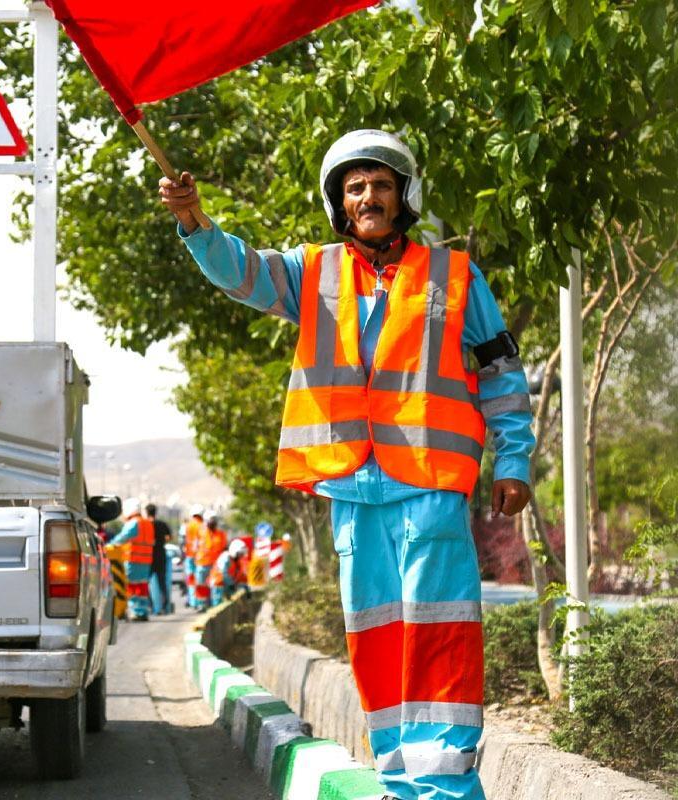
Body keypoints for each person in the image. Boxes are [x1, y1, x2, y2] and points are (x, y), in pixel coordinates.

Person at [160, 129, 534, 800]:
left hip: (429, 483)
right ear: (339, 201)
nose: (369, 196)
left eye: (382, 185)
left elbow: (501, 368)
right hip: (354, 488)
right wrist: (194, 220)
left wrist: (515, 459)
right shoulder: (313, 271)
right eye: (356, 186)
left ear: (403, 197)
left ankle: (447, 787)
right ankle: (400, 780)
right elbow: (240, 270)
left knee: (440, 635)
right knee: (379, 641)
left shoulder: (453, 273)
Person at [109, 498, 155, 621]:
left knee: (132, 586)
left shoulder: (133, 523)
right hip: (146, 561)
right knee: (142, 586)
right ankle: (143, 610)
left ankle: (135, 611)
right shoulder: (148, 523)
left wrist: (110, 544)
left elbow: (122, 537)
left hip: (133, 559)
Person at [194, 514, 228, 611]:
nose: (211, 523)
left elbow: (224, 549)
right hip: (202, 563)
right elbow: (195, 546)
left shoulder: (221, 534)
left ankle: (215, 605)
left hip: (215, 565)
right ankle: (201, 604)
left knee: (216, 585)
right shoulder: (200, 532)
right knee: (201, 585)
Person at [146, 503, 174, 616]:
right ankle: (164, 607)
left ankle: (150, 606)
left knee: (145, 583)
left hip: (149, 555)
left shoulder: (146, 524)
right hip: (161, 555)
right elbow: (169, 537)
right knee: (162, 583)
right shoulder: (162, 524)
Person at [209, 538, 251, 606]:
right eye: (240, 553)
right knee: (218, 605)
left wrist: (245, 587)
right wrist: (231, 584)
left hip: (227, 584)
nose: (241, 556)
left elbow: (240, 575)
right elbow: (223, 573)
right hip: (218, 584)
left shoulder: (236, 561)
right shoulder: (226, 557)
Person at [182, 505, 206, 607]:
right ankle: (200, 600)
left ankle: (193, 601)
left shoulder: (188, 526)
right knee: (200, 579)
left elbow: (184, 541)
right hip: (200, 557)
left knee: (191, 579)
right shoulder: (203, 526)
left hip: (189, 555)